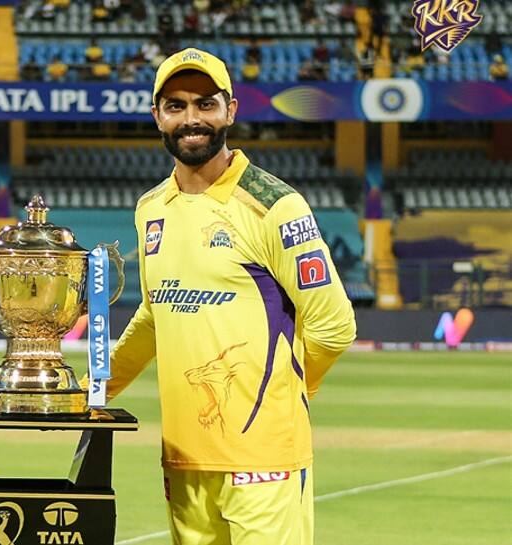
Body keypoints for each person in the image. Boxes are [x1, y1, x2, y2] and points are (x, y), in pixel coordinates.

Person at [105, 48, 356, 545]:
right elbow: (156, 315)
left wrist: (290, 393)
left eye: (205, 103)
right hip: (185, 457)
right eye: (175, 106)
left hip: (263, 460)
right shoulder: (151, 207)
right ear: (157, 116)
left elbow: (335, 326)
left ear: (231, 111)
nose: (191, 118)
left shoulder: (275, 206)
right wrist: (96, 390)